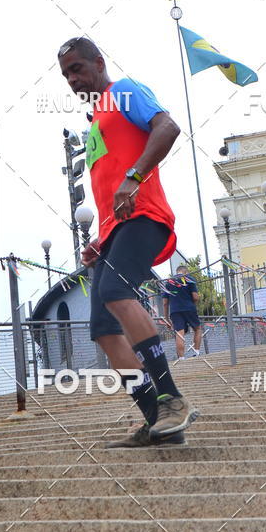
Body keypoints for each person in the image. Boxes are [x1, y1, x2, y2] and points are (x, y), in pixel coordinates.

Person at [58, 37, 198, 447]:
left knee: (118, 292)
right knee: (102, 328)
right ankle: (158, 421)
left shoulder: (124, 92)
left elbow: (167, 127)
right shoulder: (97, 119)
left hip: (145, 216)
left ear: (99, 63)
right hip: (116, 230)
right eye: (66, 74)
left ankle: (172, 398)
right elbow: (108, 187)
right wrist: (101, 238)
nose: (72, 79)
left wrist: (135, 177)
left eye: (78, 68)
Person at [162, 265, 202, 359]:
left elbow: (164, 303)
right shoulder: (189, 279)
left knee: (179, 333)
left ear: (177, 271)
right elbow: (195, 297)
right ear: (186, 272)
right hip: (189, 308)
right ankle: (196, 353)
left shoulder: (168, 282)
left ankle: (181, 359)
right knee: (197, 329)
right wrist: (193, 305)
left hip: (175, 311)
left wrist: (167, 319)